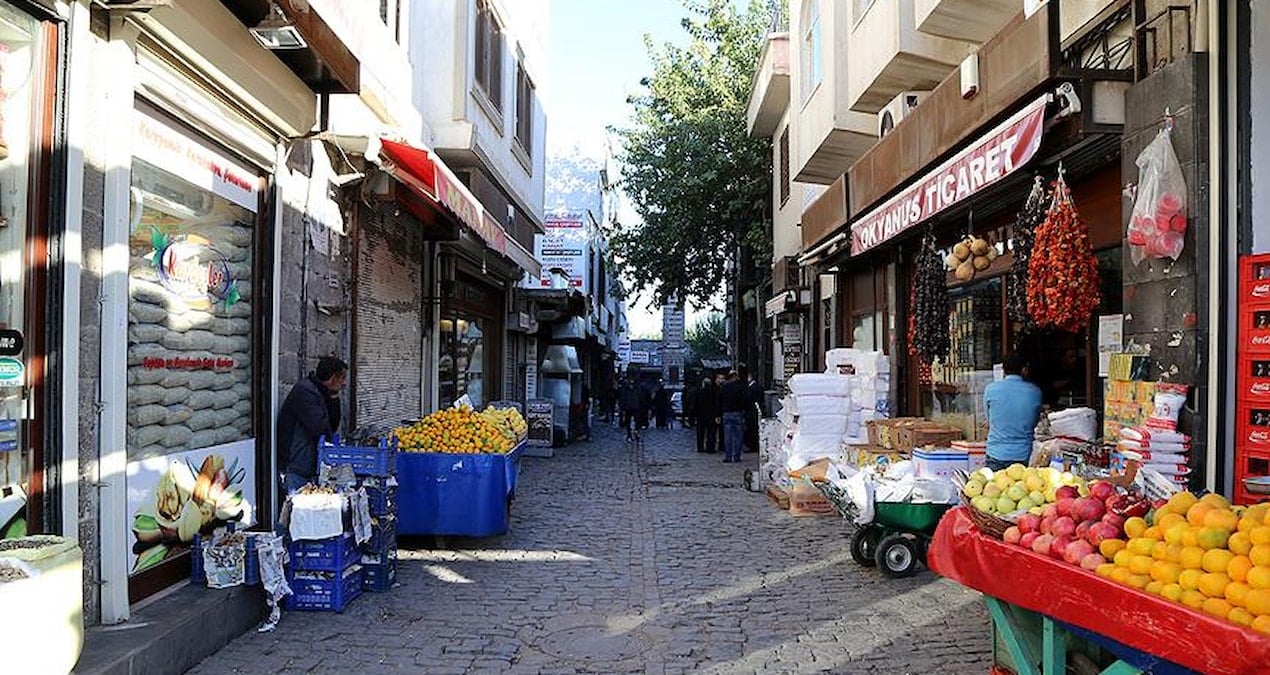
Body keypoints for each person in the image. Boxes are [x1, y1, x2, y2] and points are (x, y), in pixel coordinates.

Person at [277, 356, 347, 494]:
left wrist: (334, 396)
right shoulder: (305, 392)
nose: (344, 383)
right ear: (333, 378)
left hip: (307, 467)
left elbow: (332, 426)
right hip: (296, 467)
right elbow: (320, 429)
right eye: (342, 378)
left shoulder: (320, 392)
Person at [984, 353, 1044, 472]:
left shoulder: (990, 389)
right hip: (1023, 454)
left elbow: (990, 419)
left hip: (996, 453)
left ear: (1003, 370)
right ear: (1024, 369)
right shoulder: (1035, 392)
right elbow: (1035, 421)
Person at [718, 370, 748, 463]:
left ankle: (728, 456)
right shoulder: (740, 387)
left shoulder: (724, 387)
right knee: (738, 436)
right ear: (736, 377)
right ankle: (736, 456)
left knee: (727, 436)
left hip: (726, 413)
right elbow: (744, 400)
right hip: (737, 412)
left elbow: (720, 400)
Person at [740, 365, 764, 453]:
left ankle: (752, 446)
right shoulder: (759, 387)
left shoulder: (750, 388)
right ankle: (755, 445)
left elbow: (748, 399)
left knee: (751, 429)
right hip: (757, 409)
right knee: (755, 428)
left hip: (751, 411)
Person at [693, 376, 719, 453]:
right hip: (711, 415)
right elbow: (716, 404)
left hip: (700, 415)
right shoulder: (713, 393)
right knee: (711, 432)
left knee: (700, 433)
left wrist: (694, 414)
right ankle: (710, 448)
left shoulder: (698, 392)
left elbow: (695, 404)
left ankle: (700, 447)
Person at [619, 374, 644, 442]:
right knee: (632, 420)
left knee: (632, 421)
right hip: (632, 407)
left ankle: (633, 433)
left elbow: (623, 398)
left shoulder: (630, 388)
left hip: (631, 407)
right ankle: (633, 433)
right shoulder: (636, 388)